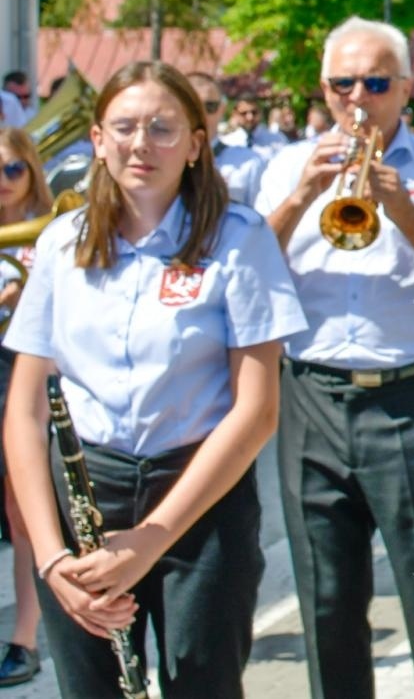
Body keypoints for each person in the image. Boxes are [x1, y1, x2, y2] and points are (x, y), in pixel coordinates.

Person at [2, 61, 305, 697]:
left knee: (202, 684)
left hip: (200, 497)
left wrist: (149, 540)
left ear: (197, 144)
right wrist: (51, 558)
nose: (142, 144)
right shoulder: (62, 243)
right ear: (97, 139)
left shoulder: (239, 240)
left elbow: (256, 412)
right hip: (87, 492)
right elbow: (26, 411)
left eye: (164, 129)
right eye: (125, 127)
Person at [255, 17, 414, 699]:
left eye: (377, 82)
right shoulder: (284, 167)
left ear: (406, 88)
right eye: (342, 83)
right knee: (326, 602)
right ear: (325, 89)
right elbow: (246, 282)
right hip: (311, 395)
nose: (358, 97)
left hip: (413, 400)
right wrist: (302, 196)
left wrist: (402, 209)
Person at [0, 129, 52, 686]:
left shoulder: (48, 234)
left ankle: (25, 638)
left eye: (14, 169)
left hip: (21, 374)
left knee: (23, 513)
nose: (4, 181)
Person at [187, 73, 267, 206]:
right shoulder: (162, 161)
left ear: (222, 109)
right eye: (193, 106)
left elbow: (258, 221)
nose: (201, 114)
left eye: (210, 106)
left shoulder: (249, 163)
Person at [221, 94, 287, 156]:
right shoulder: (227, 141)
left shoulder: (277, 140)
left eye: (254, 112)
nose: (250, 117)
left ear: (260, 112)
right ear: (235, 114)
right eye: (244, 113)